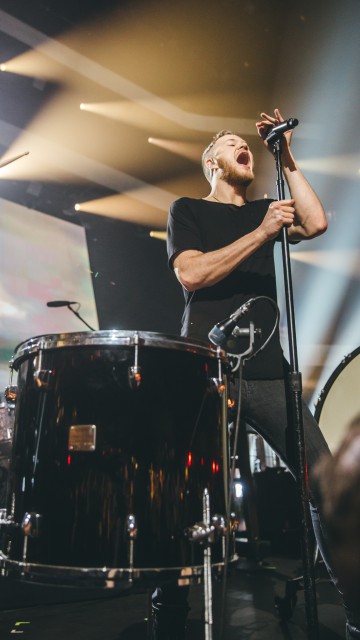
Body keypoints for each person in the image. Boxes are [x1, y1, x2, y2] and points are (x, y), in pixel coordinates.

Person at [166, 108, 359, 638]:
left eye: (243, 142)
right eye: (230, 143)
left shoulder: (266, 208)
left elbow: (316, 222)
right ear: (212, 162)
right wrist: (261, 232)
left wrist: (285, 153)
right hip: (210, 369)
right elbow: (192, 273)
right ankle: (171, 619)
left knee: (328, 486)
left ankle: (357, 610)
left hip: (271, 371)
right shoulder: (188, 209)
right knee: (188, 497)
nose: (241, 146)